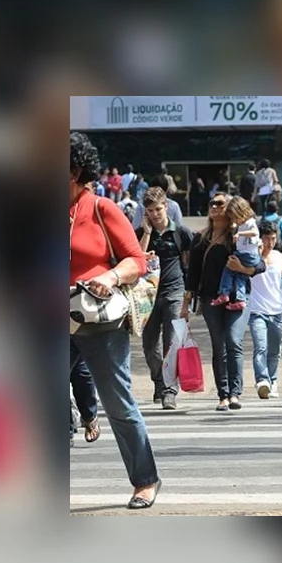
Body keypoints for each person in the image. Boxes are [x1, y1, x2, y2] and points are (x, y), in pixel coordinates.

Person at [69, 132, 161, 508]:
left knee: (118, 403)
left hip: (97, 320)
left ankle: (145, 480)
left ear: (75, 170)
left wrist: (109, 276)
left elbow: (136, 260)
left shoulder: (101, 209)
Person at [184, 193, 266, 411]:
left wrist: (242, 269)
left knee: (233, 340)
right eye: (211, 203)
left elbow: (260, 265)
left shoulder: (239, 236)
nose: (214, 206)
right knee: (218, 346)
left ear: (229, 208)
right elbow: (192, 273)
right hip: (211, 298)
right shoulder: (201, 238)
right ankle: (223, 394)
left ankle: (235, 393)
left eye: (219, 203)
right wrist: (186, 303)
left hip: (238, 297)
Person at [135, 187, 195, 410]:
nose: (155, 214)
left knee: (172, 342)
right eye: (150, 210)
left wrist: (188, 297)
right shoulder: (140, 233)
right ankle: (159, 382)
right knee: (150, 345)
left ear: (166, 207)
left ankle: (170, 390)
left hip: (174, 291)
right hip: (147, 295)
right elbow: (135, 260)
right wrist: (147, 234)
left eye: (158, 209)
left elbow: (191, 262)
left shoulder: (180, 232)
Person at [248, 220, 282, 399]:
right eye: (266, 238)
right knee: (261, 347)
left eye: (273, 238)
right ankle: (262, 380)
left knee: (275, 350)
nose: (270, 242)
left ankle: (273, 381)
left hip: (277, 311)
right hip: (257, 310)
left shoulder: (281, 257)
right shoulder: (252, 258)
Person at [209, 197, 261, 311]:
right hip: (247, 254)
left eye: (235, 218)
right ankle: (240, 299)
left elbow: (255, 232)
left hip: (246, 255)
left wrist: (239, 234)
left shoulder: (249, 223)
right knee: (240, 276)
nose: (235, 221)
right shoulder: (240, 225)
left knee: (229, 269)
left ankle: (224, 292)